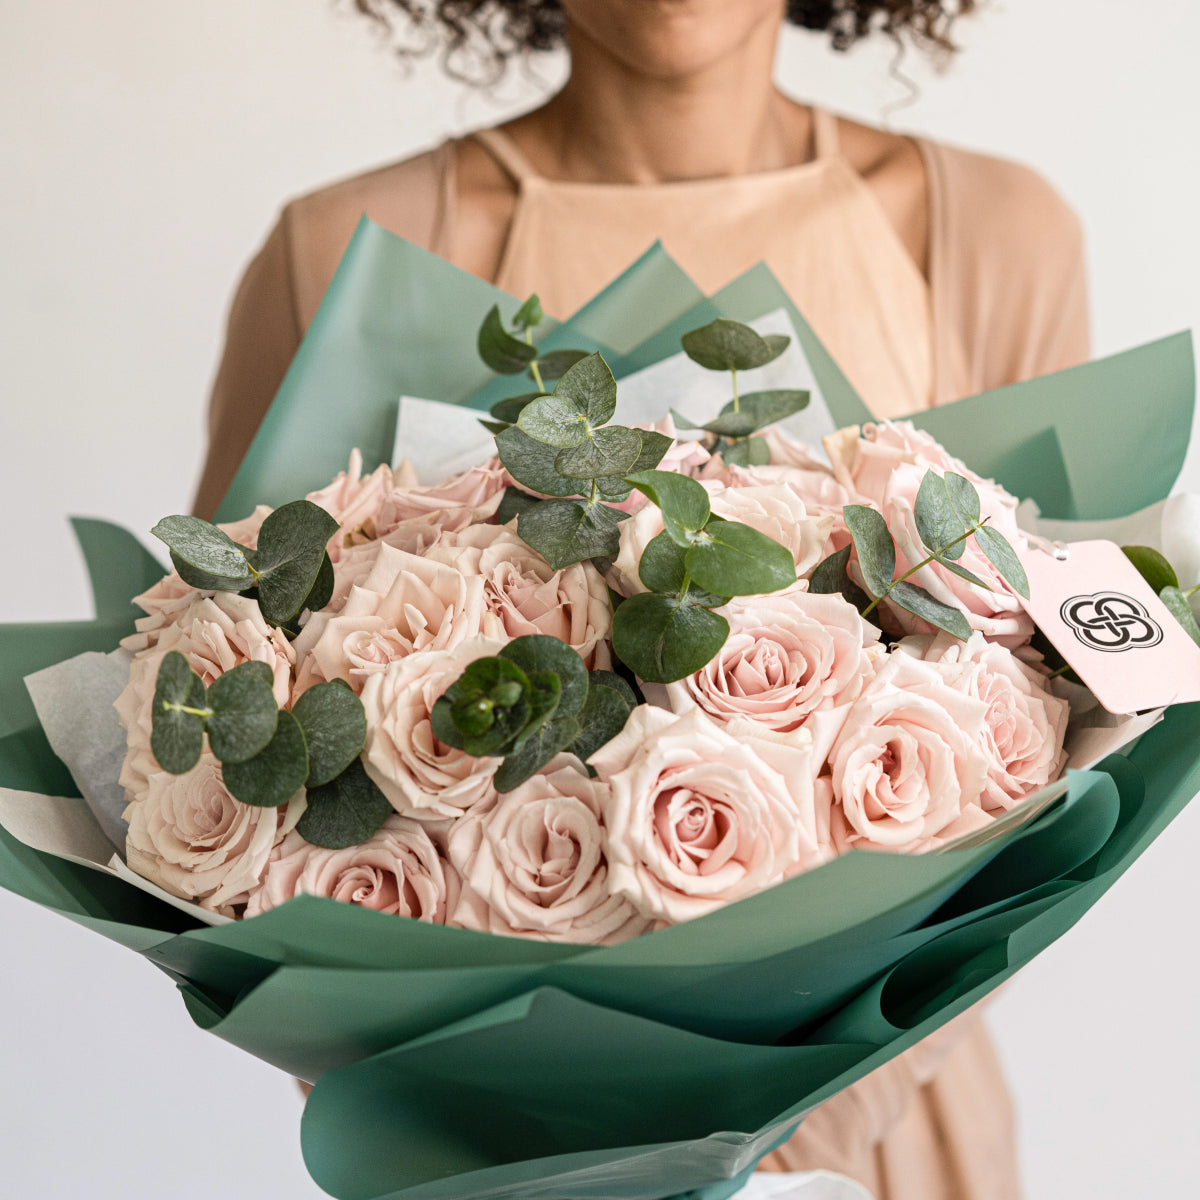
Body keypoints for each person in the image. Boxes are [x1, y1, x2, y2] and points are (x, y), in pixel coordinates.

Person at [192, 2, 1090, 1195]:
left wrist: (796, 1122)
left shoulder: (989, 235)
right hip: (507, 1154)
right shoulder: (342, 248)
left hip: (886, 1141)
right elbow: (227, 731)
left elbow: (1069, 735)